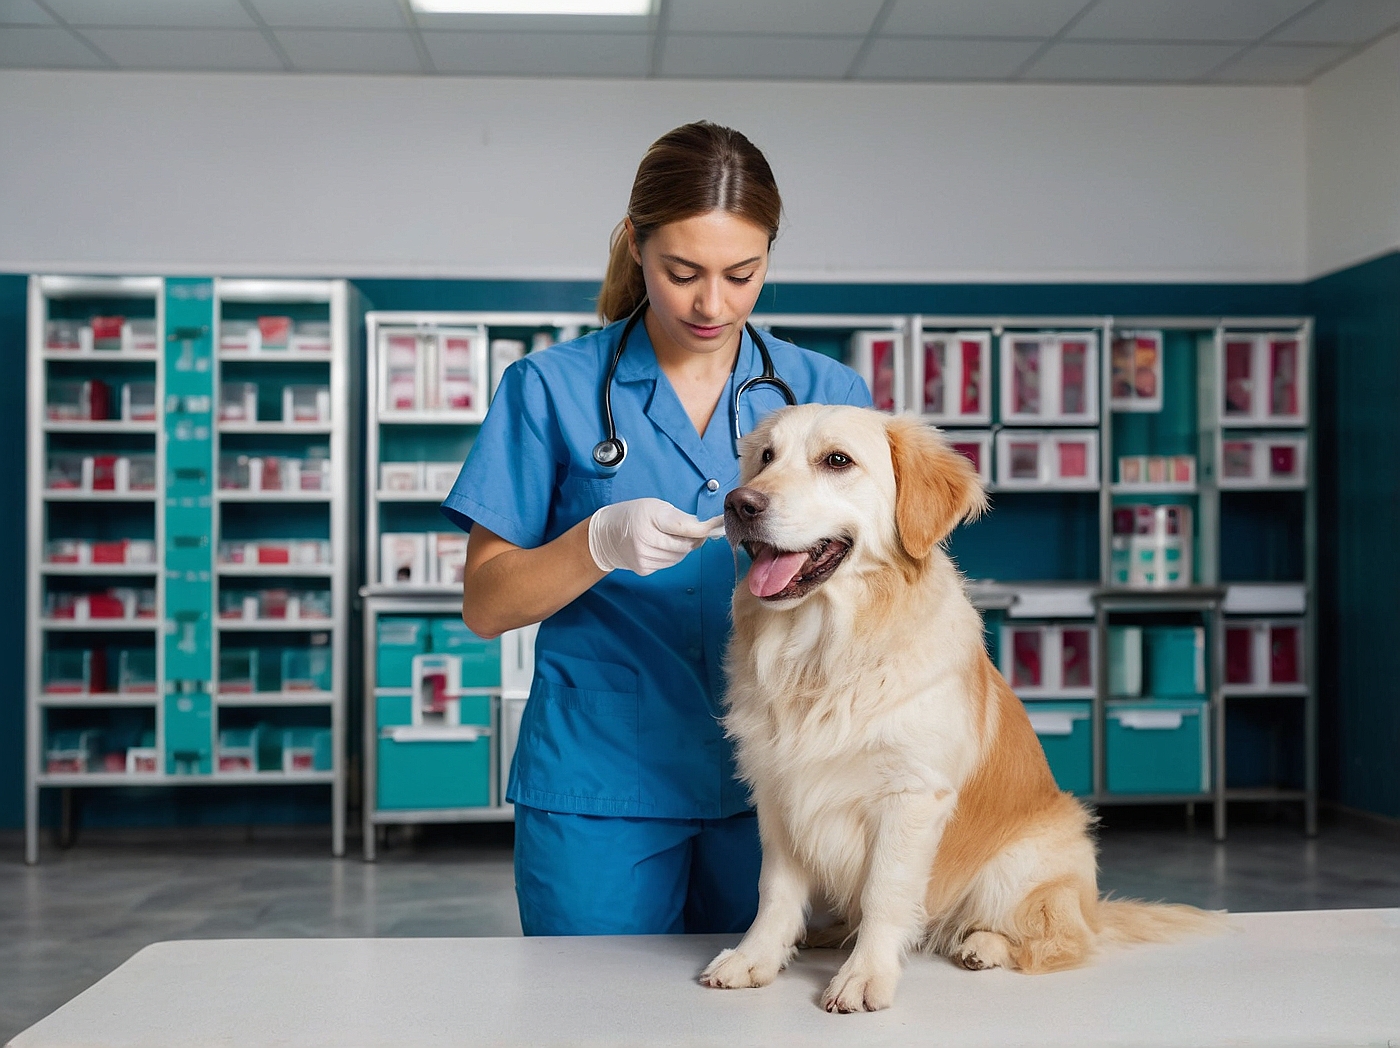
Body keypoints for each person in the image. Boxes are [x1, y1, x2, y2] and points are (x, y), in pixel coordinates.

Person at [441, 121, 871, 937]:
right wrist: (593, 543)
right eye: (682, 273)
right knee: (593, 1017)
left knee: (773, 1018)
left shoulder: (826, 392)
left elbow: (886, 573)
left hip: (787, 781)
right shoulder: (550, 389)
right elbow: (487, 607)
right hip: (604, 786)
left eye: (742, 274)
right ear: (635, 247)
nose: (713, 304)